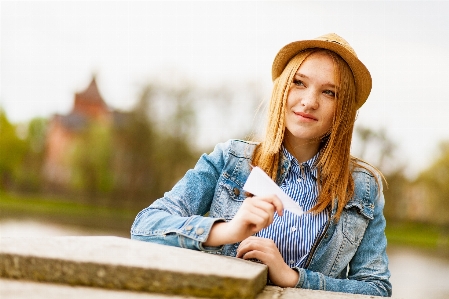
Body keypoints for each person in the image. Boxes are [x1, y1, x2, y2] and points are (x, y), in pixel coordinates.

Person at [131, 33, 392, 297]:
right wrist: (227, 230)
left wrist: (294, 278)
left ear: (343, 108)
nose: (309, 101)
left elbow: (377, 288)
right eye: (299, 82)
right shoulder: (230, 161)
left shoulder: (363, 187)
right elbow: (145, 227)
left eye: (329, 92)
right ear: (282, 89)